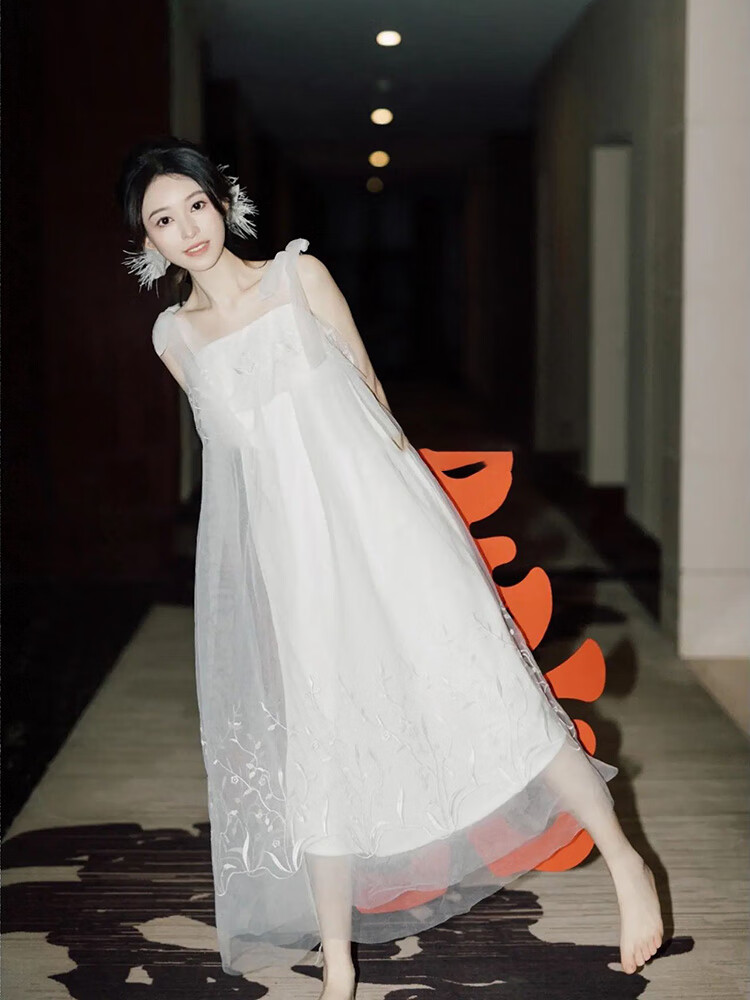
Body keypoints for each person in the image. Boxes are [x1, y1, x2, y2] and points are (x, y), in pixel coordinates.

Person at [116, 136, 664, 997]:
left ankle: (627, 863)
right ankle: (338, 963)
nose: (188, 228)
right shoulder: (173, 337)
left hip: (386, 524)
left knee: (489, 683)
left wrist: (431, 531)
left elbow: (372, 400)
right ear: (147, 242)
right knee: (324, 740)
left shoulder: (300, 277)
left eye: (195, 205)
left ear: (222, 202)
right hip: (296, 560)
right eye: (163, 220)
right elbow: (233, 470)